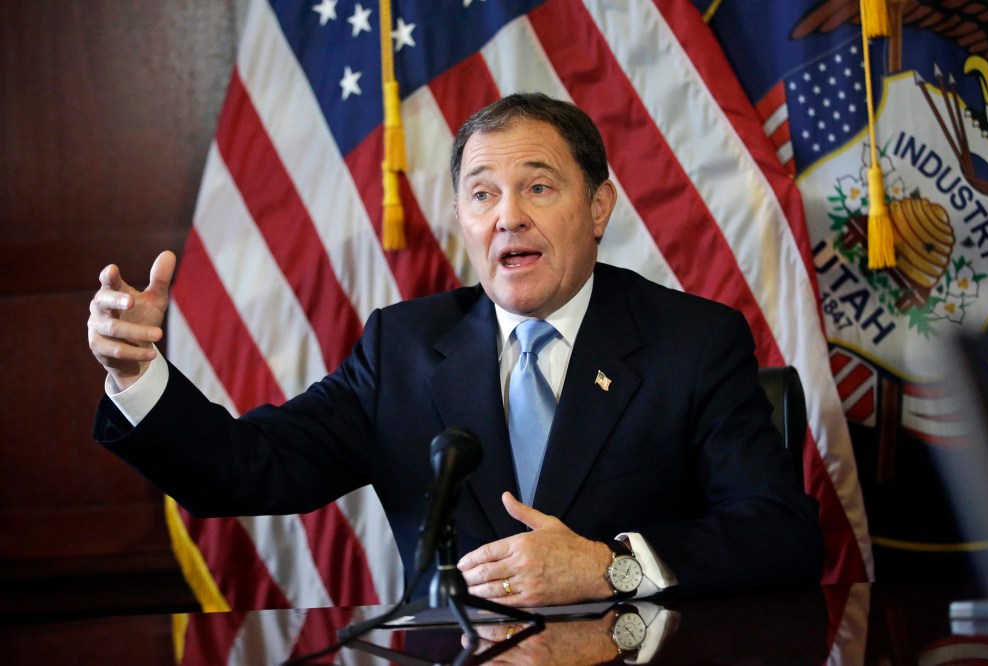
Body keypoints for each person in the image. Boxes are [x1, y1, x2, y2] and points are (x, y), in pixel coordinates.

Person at [88, 93, 823, 607]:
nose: (508, 217)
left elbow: (781, 535)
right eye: (482, 195)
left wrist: (611, 567)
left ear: (599, 208)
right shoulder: (403, 348)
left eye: (539, 186)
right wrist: (139, 375)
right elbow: (244, 472)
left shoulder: (692, 342)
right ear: (461, 219)